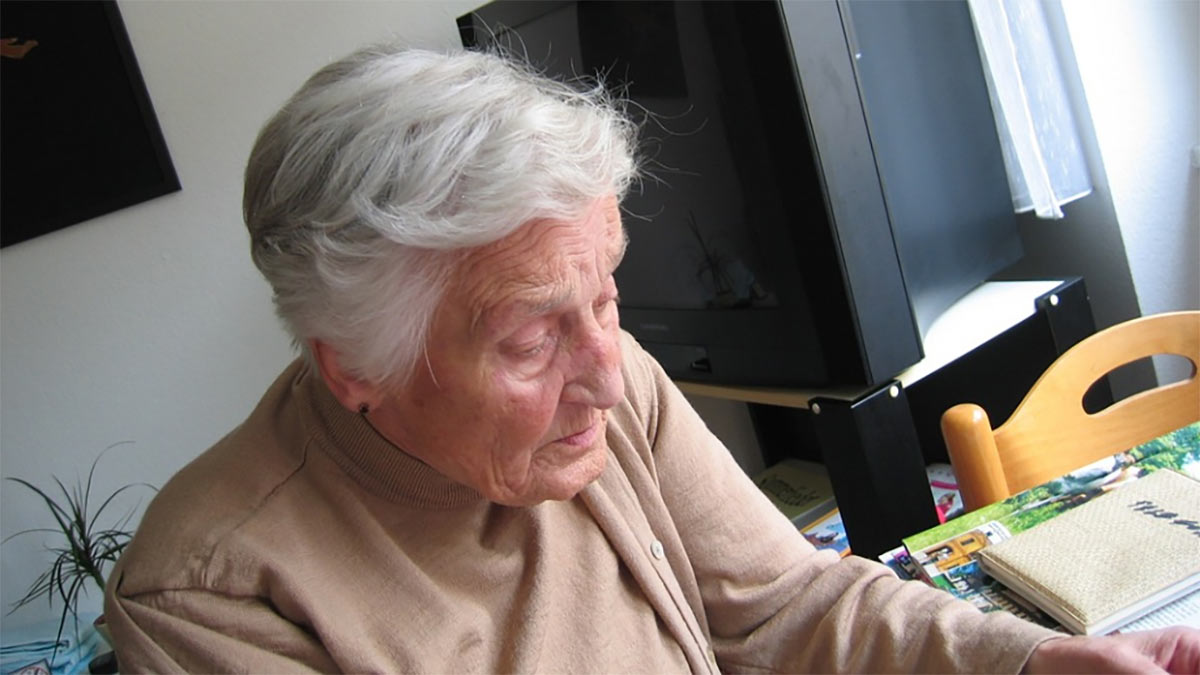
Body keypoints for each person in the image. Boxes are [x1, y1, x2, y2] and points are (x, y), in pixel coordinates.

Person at [104, 44, 1200, 673]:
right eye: (532, 336)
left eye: (608, 288)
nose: (604, 365)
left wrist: (1024, 664)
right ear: (354, 366)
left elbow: (792, 608)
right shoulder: (213, 598)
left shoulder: (608, 375)